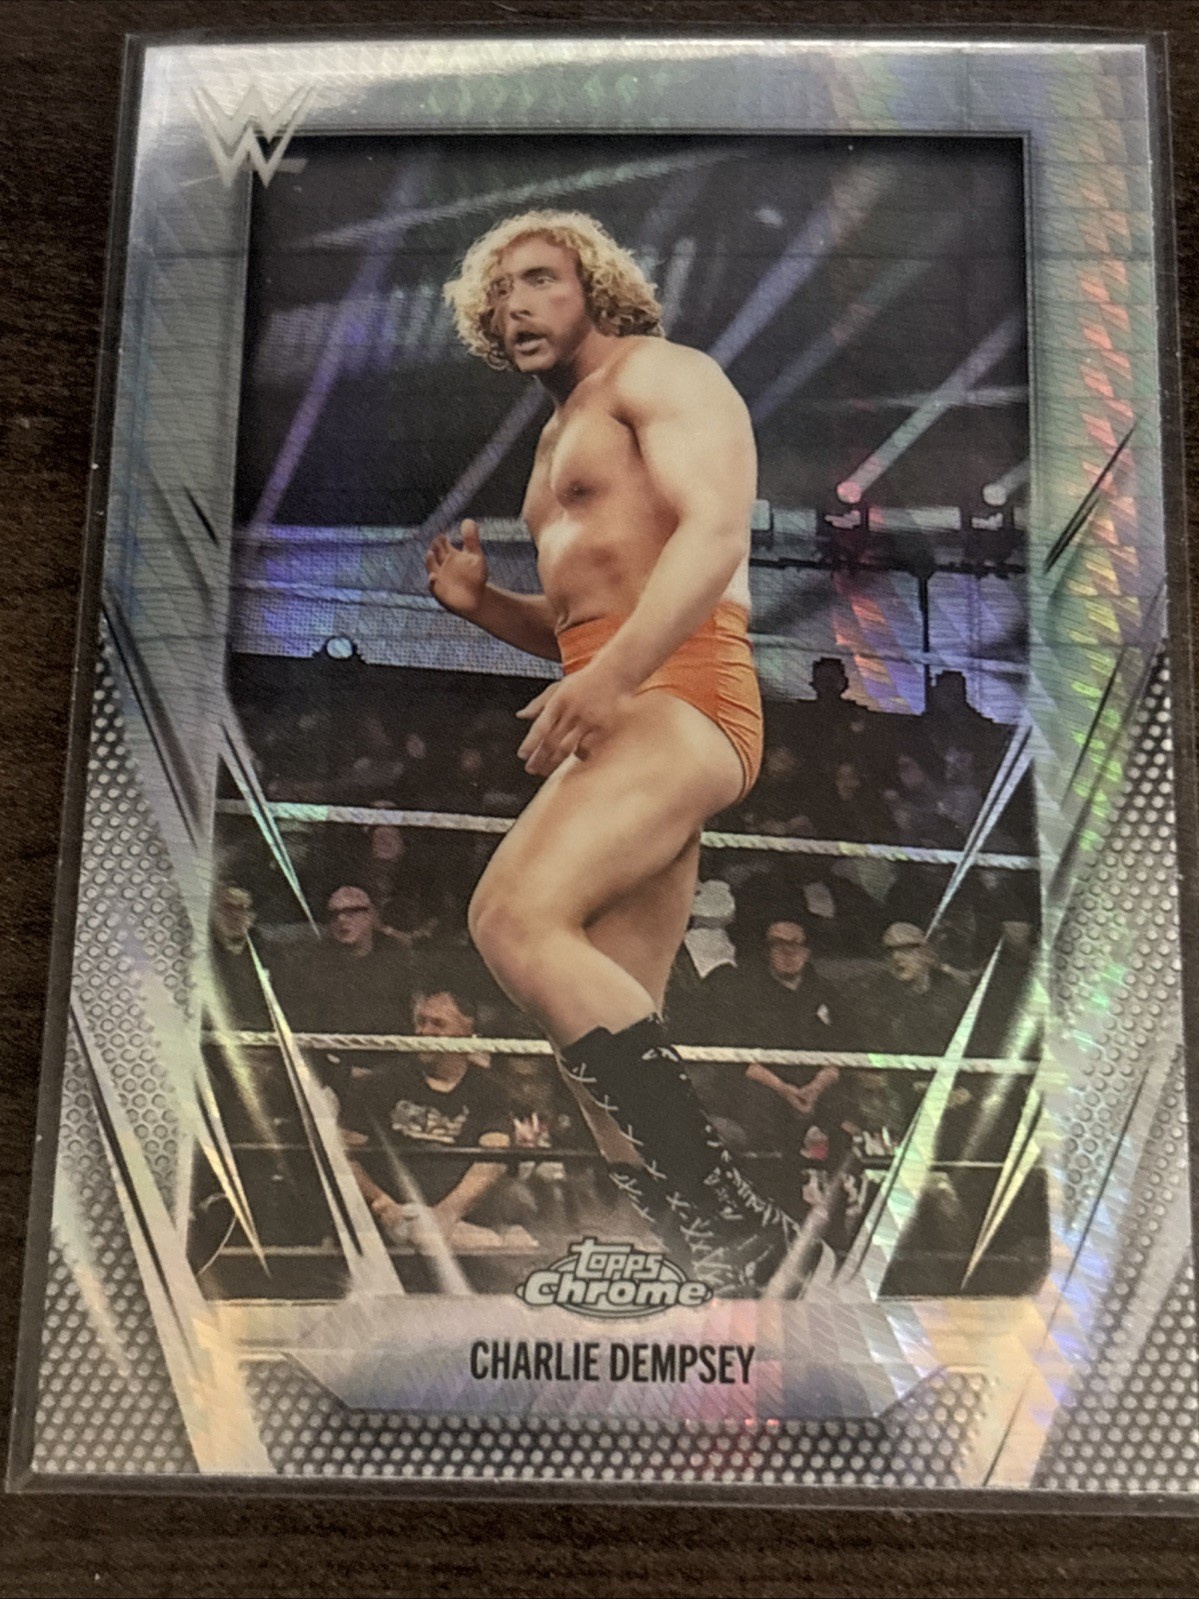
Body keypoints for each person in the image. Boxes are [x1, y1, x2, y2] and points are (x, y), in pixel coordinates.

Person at [431, 209, 796, 1294]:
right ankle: (711, 1260)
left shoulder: (662, 375)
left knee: (510, 918)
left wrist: (610, 680)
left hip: (682, 692)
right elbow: (581, 631)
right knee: (591, 1023)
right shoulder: (557, 438)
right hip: (630, 696)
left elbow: (714, 535)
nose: (517, 305)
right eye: (500, 293)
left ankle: (734, 1217)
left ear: (594, 283)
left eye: (540, 279)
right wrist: (483, 605)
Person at [343, 986, 514, 1248]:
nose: (425, 1032)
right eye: (421, 1022)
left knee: (510, 1243)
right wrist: (382, 1203)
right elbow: (345, 1155)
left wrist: (447, 1213)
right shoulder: (380, 1083)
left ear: (467, 1030)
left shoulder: (489, 1091)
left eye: (438, 1024)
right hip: (387, 1217)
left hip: (456, 1220)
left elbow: (493, 1161)